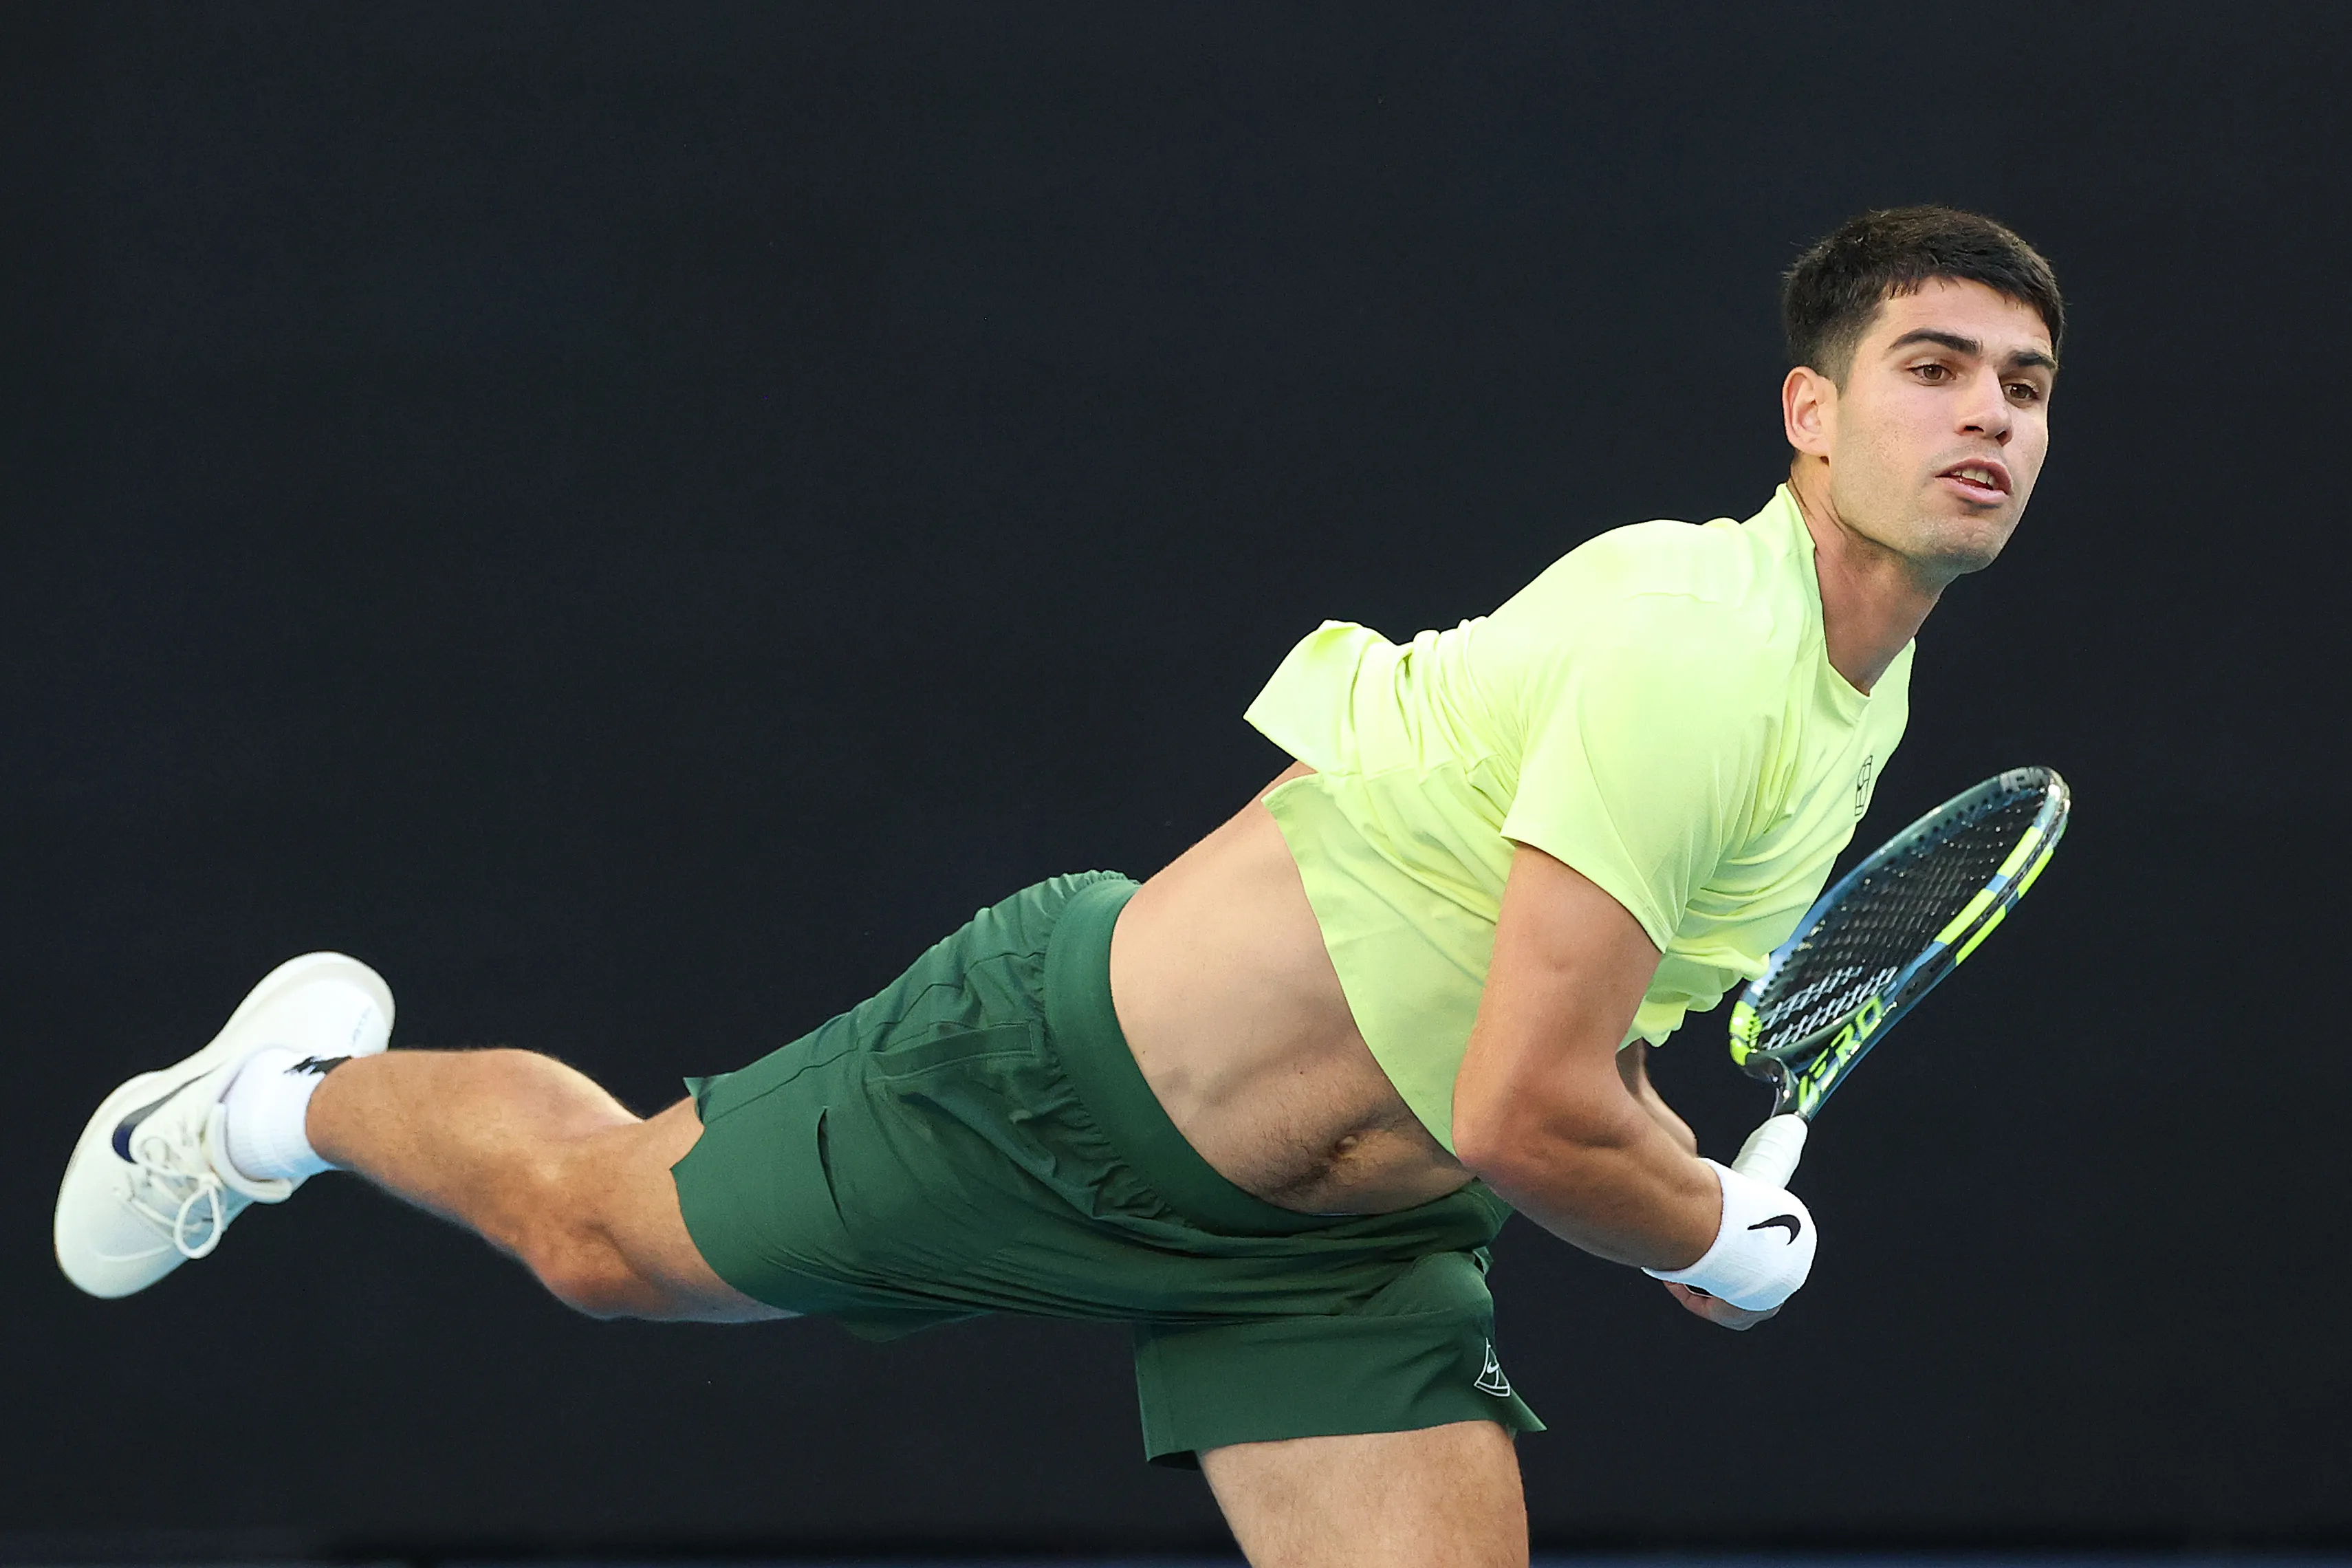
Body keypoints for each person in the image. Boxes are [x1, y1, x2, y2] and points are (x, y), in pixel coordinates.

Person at [56, 205, 2060, 1568]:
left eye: (2024, 388)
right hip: (1053, 1083)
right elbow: (1523, 1108)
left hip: (1335, 1261)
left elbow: (1543, 1049)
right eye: (1932, 366)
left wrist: (1673, 1189)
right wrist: (1704, 1235)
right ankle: (266, 1106)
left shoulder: (1850, 710)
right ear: (1807, 413)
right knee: (594, 1241)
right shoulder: (1695, 650)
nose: (1984, 415)